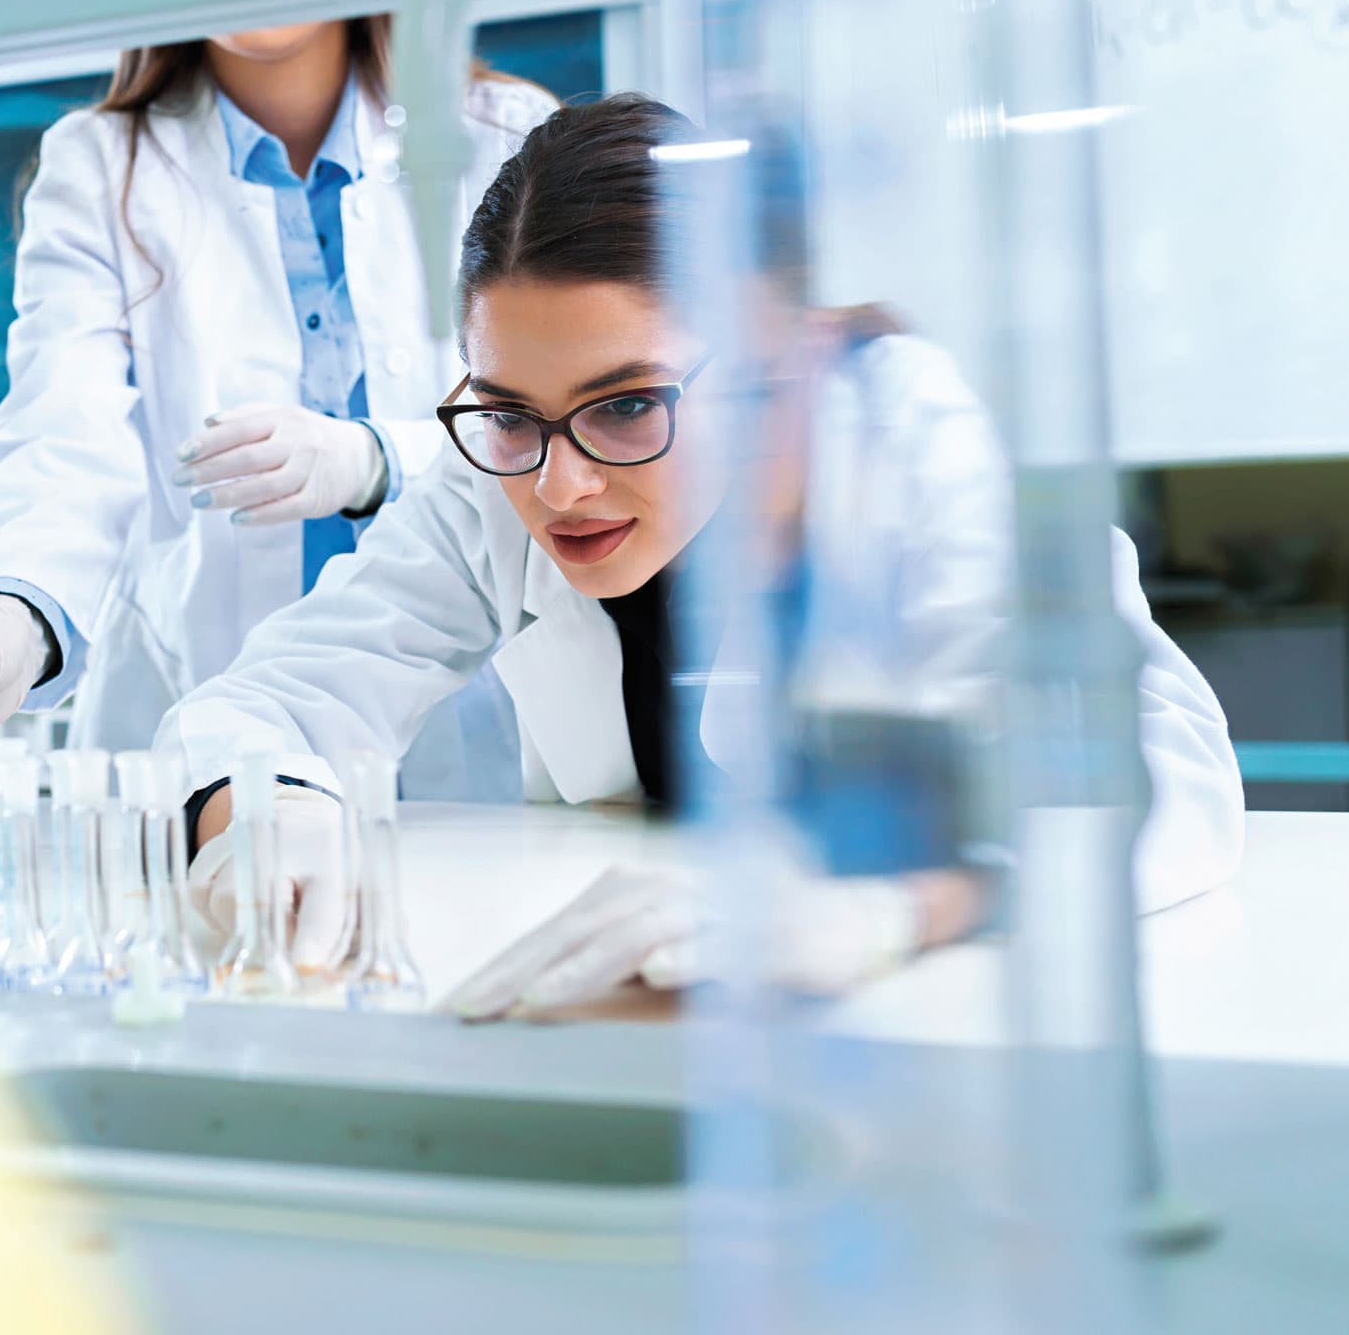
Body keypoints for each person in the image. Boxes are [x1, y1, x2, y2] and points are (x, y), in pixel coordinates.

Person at [158, 93, 1245, 1014]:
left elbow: (1159, 778)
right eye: (509, 412)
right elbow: (266, 701)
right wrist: (267, 813)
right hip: (649, 996)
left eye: (627, 403)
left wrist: (877, 906)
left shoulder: (910, 451)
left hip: (929, 1007)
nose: (558, 485)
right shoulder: (496, 479)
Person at [0, 18, 552, 798]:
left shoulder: (503, 133)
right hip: (198, 720)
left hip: (473, 727)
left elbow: (560, 421)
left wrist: (380, 458)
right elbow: (66, 439)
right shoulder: (100, 164)